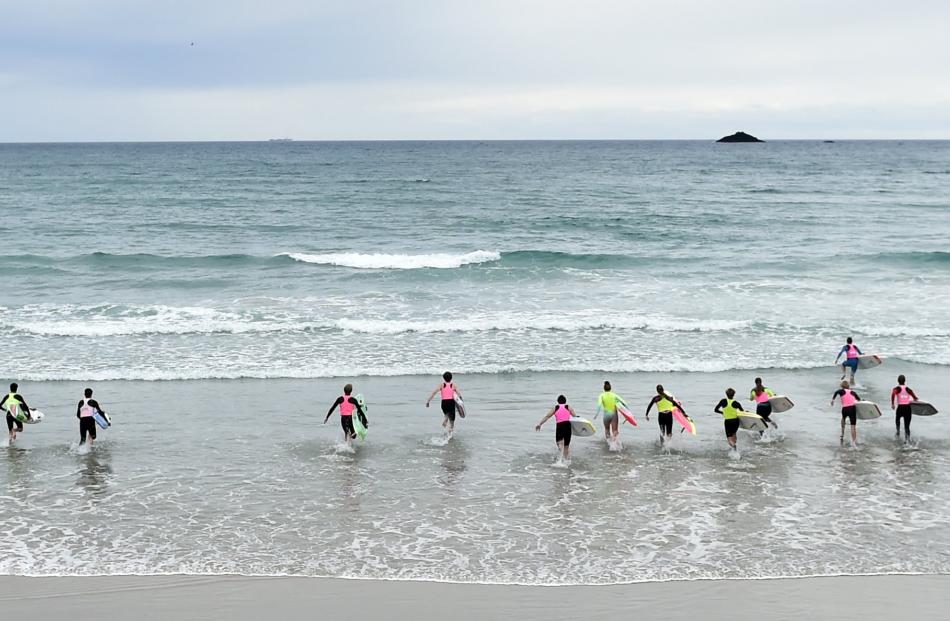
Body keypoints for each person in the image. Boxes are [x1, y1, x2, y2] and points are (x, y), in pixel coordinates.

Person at [535, 395, 576, 461]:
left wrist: (540, 424)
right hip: (568, 426)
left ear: (558, 401)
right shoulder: (568, 407)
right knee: (566, 446)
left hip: (560, 426)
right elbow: (575, 417)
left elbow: (547, 417)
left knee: (559, 444)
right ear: (565, 401)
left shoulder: (555, 408)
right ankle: (567, 461)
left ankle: (560, 459)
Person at [890, 374, 919, 442]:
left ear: (898, 381)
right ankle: (907, 441)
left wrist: (892, 404)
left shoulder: (897, 388)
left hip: (900, 408)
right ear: (905, 381)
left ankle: (898, 432)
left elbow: (893, 394)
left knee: (897, 420)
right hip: (907, 408)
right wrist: (915, 399)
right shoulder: (908, 389)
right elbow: (915, 397)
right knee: (907, 426)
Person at [714, 388, 745, 452]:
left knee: (729, 438)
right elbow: (742, 412)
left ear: (726, 394)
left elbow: (715, 410)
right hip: (736, 421)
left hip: (728, 422)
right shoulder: (736, 403)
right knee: (734, 434)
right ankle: (734, 448)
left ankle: (733, 446)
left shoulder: (723, 401)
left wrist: (722, 412)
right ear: (733, 395)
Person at [831, 380, 861, 446]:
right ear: (848, 386)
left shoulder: (841, 391)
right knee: (853, 426)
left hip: (845, 409)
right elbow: (859, 400)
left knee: (843, 419)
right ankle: (853, 442)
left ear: (841, 386)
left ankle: (842, 434)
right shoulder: (853, 392)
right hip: (852, 409)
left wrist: (833, 400)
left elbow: (836, 392)